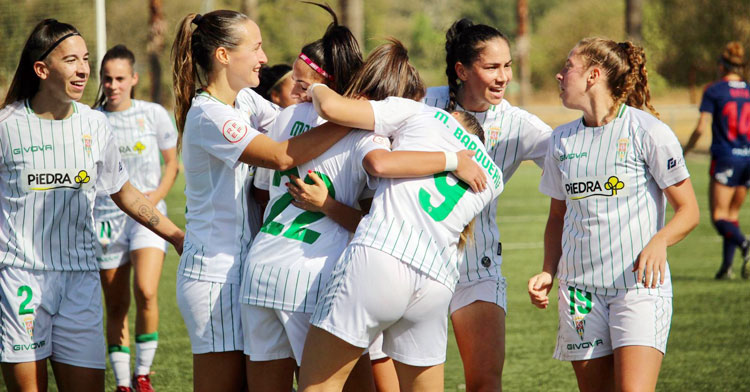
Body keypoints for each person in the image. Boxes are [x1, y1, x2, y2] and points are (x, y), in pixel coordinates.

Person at [297, 39, 503, 392]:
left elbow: (333, 109)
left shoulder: (422, 113)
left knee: (318, 386)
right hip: (437, 280)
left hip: (382, 255)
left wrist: (312, 83)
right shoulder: (493, 176)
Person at [170, 10, 354, 391]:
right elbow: (281, 154)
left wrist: (316, 93)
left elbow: (292, 121)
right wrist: (350, 119)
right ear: (223, 55)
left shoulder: (244, 104)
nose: (264, 58)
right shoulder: (209, 114)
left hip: (243, 268)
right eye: (255, 47)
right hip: (214, 275)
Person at [0, 19, 183, 392]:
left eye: (85, 59)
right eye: (71, 60)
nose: (84, 69)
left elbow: (124, 191)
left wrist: (177, 235)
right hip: (22, 279)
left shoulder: (95, 125)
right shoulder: (7, 126)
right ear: (42, 69)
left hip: (81, 281)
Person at [386, 18, 550, 392]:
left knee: (485, 381)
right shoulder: (421, 104)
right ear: (461, 70)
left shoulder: (518, 124)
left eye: (507, 65)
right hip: (413, 261)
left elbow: (571, 160)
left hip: (478, 266)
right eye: (491, 67)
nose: (503, 76)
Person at [528, 37, 699, 392]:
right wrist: (548, 269)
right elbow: (557, 217)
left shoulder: (648, 131)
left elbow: (689, 210)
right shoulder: (561, 141)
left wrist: (660, 240)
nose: (559, 76)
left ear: (593, 75)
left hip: (638, 289)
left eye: (567, 68)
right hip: (578, 293)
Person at [92, 44, 179, 392]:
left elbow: (172, 163)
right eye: (107, 79)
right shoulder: (92, 118)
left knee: (145, 290)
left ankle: (142, 374)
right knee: (116, 304)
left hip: (148, 217)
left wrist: (153, 200)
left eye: (119, 79)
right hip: (106, 219)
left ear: (134, 79)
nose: (112, 85)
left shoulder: (154, 113)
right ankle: (122, 382)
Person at [683, 41, 750, 280]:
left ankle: (745, 244)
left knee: (719, 217)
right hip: (747, 158)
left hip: (725, 156)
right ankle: (726, 269)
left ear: (721, 66)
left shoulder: (714, 90)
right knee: (732, 215)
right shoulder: (749, 90)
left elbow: (701, 127)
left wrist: (686, 149)